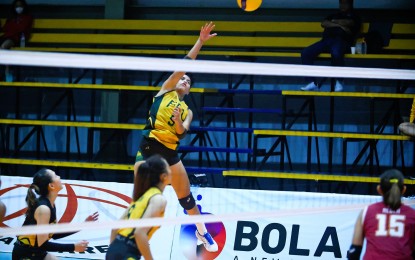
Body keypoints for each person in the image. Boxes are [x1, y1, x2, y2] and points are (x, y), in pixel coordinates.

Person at [134, 22, 219, 252]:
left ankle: (203, 233)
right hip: (149, 148)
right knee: (144, 198)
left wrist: (180, 122)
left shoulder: (187, 110)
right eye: (184, 78)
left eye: (188, 82)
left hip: (170, 153)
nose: (185, 81)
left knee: (187, 198)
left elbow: (182, 133)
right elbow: (185, 65)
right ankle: (138, 237)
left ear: (189, 91)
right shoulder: (166, 89)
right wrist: (200, 42)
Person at [12, 168, 99, 260]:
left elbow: (53, 234)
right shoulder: (43, 209)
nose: (59, 176)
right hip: (26, 253)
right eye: (55, 175)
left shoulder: (50, 204)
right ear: (51, 186)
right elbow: (43, 244)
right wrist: (73, 247)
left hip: (35, 251)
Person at [106, 154, 171, 260]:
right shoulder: (159, 199)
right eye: (169, 167)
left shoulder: (142, 197)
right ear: (163, 176)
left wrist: (114, 251)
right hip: (128, 252)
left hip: (114, 249)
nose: (172, 170)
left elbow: (114, 228)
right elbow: (139, 232)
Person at [347, 169, 415, 260]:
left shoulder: (367, 211)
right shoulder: (412, 214)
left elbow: (354, 252)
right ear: (403, 190)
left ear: (379, 189)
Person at [300, 0, 361, 92]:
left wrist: (333, 23)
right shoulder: (334, 15)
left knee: (336, 52)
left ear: (350, 4)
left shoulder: (354, 16)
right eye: (341, 3)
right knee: (306, 53)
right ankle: (312, 82)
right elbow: (324, 23)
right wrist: (340, 26)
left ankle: (339, 81)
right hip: (326, 41)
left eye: (345, 3)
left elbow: (349, 23)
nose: (342, 5)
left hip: (342, 41)